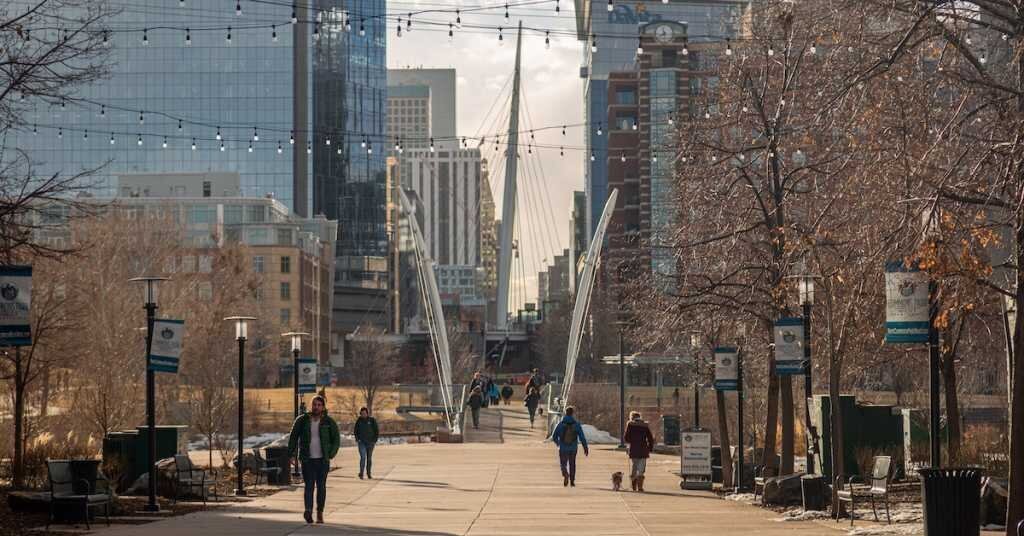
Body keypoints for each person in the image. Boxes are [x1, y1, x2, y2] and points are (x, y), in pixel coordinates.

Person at [288, 395, 341, 524]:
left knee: (321, 486)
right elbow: (293, 437)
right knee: (309, 486)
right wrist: (291, 454)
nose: (316, 407)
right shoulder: (302, 420)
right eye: (314, 404)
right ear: (311, 406)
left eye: (319, 405)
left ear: (323, 407)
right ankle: (308, 511)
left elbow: (336, 440)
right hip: (307, 459)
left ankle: (320, 513)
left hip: (323, 460)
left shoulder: (329, 422)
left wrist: (330, 454)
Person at [551, 406, 589, 487]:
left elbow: (554, 436)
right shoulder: (576, 424)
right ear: (572, 413)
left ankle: (565, 474)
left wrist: (558, 443)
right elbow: (582, 437)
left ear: (565, 413)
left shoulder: (560, 424)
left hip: (563, 448)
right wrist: (585, 447)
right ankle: (572, 481)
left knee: (563, 464)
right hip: (573, 448)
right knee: (572, 464)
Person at [623, 411, 655, 492]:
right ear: (640, 417)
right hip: (643, 450)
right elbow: (650, 438)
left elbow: (626, 438)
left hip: (634, 449)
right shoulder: (645, 425)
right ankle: (640, 487)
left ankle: (633, 486)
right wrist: (650, 448)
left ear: (632, 417)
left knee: (634, 466)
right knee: (641, 469)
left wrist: (632, 441)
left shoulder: (630, 425)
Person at [353, 407, 379, 480]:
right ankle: (361, 473)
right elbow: (355, 431)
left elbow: (376, 431)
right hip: (362, 443)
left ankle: (369, 473)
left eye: (364, 413)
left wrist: (374, 440)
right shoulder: (359, 421)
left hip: (371, 443)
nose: (363, 415)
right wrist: (357, 439)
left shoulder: (372, 420)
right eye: (362, 414)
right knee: (363, 457)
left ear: (367, 413)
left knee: (369, 459)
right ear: (360, 414)